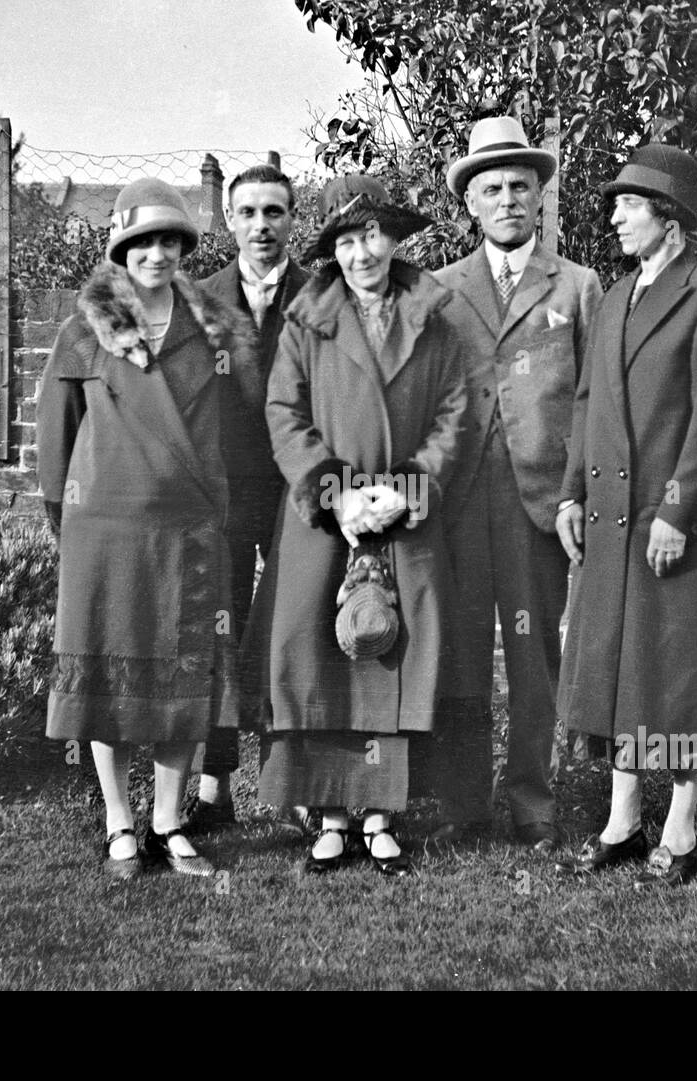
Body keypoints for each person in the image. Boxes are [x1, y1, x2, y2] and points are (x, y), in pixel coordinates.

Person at [36, 178, 257, 879]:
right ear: (120, 248)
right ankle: (119, 825)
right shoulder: (84, 333)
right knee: (110, 680)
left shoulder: (213, 330)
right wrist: (67, 520)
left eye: (170, 240)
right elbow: (54, 443)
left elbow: (239, 429)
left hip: (188, 530)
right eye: (142, 241)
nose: (156, 254)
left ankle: (168, 820)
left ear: (184, 248)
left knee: (180, 680)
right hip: (106, 530)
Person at [253, 174, 466, 876]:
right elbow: (284, 413)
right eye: (346, 239)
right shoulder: (305, 320)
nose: (361, 251)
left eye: (372, 234)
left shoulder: (435, 316)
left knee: (388, 655)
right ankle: (330, 815)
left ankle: (379, 815)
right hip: (325, 523)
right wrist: (337, 493)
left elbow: (454, 415)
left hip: (401, 516)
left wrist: (406, 490)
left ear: (394, 238)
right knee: (319, 658)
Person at [554, 145, 697, 887]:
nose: (613, 217)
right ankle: (622, 821)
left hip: (674, 527)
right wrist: (571, 492)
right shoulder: (615, 298)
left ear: (667, 217)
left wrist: (677, 511)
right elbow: (586, 404)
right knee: (624, 672)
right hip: (610, 519)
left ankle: (683, 829)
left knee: (682, 677)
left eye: (627, 205)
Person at [426, 116, 603, 854]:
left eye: (520, 187)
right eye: (491, 188)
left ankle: (534, 798)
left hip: (540, 503)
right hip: (460, 502)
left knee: (535, 661)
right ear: (470, 202)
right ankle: (465, 802)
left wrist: (577, 494)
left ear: (540, 196)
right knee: (461, 657)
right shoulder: (439, 289)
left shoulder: (578, 285)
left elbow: (596, 400)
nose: (507, 200)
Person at [188, 164, 311, 834]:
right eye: (249, 213)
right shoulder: (200, 300)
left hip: (295, 490)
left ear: (293, 219)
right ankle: (215, 787)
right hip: (226, 491)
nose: (262, 226)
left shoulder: (319, 297)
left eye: (275, 212)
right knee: (223, 632)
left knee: (292, 632)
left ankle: (290, 784)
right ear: (229, 220)